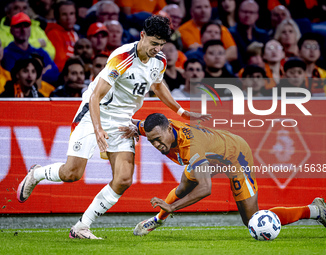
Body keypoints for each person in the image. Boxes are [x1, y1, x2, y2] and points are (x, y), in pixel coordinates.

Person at [16, 15, 210, 239]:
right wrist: (98, 130)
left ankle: (82, 226)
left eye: (161, 45)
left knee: (124, 179)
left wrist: (181, 111)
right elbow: (96, 96)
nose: (157, 49)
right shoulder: (122, 57)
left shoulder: (160, 60)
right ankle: (37, 173)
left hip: (122, 119)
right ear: (142, 36)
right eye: (153, 43)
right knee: (72, 173)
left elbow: (157, 85)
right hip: (94, 113)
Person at [120, 113, 326, 236]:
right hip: (211, 154)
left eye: (159, 139)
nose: (157, 145)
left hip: (236, 156)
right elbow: (137, 124)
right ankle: (156, 221)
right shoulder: (156, 129)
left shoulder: (191, 147)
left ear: (169, 130)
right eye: (152, 141)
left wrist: (174, 207)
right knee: (183, 187)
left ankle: (315, 210)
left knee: (253, 221)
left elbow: (206, 189)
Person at [2, 12, 59, 85]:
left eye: (26, 25)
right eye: (18, 26)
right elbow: (14, 78)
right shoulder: (7, 53)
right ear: (11, 30)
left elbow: (55, 74)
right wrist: (42, 71)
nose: (23, 29)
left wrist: (28, 75)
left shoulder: (40, 52)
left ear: (30, 29)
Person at [228, 0, 269, 72]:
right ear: (238, 13)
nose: (247, 15)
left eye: (251, 12)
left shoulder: (263, 35)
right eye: (244, 12)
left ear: (257, 15)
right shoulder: (230, 34)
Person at [45, 0, 79, 72]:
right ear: (57, 17)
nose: (68, 18)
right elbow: (59, 62)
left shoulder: (74, 33)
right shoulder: (53, 33)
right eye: (64, 14)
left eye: (71, 14)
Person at [298, 32, 326, 97]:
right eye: (307, 47)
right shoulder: (294, 74)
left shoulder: (324, 75)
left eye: (315, 47)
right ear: (299, 51)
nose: (312, 50)